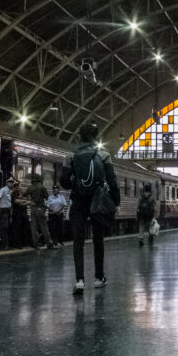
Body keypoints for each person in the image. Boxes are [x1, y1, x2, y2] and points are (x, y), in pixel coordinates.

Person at [60, 122, 120, 295]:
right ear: (96, 137)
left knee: (78, 241)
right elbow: (112, 181)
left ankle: (79, 281)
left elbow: (63, 181)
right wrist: (115, 202)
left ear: (79, 136)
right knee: (98, 239)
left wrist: (77, 184)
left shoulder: (70, 156)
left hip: (78, 201)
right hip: (98, 201)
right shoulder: (104, 155)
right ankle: (98, 278)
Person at [27, 173, 54, 249]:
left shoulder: (30, 187)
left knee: (34, 227)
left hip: (33, 209)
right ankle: (49, 244)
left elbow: (23, 195)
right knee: (44, 227)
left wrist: (31, 200)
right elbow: (47, 198)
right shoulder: (42, 187)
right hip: (40, 209)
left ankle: (36, 245)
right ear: (39, 180)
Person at [0, 177, 14, 250]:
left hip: (8, 210)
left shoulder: (10, 191)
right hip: (3, 211)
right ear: (7, 183)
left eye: (12, 182)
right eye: (10, 182)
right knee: (4, 228)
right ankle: (4, 246)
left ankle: (6, 245)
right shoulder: (3, 190)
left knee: (7, 228)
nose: (11, 183)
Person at [10, 181, 29, 249]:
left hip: (23, 214)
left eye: (18, 186)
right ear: (14, 187)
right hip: (17, 214)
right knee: (16, 229)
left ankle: (23, 242)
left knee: (23, 228)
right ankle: (17, 244)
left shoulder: (21, 193)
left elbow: (28, 200)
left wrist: (23, 201)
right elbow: (16, 201)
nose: (18, 188)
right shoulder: (13, 193)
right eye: (16, 186)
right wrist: (24, 201)